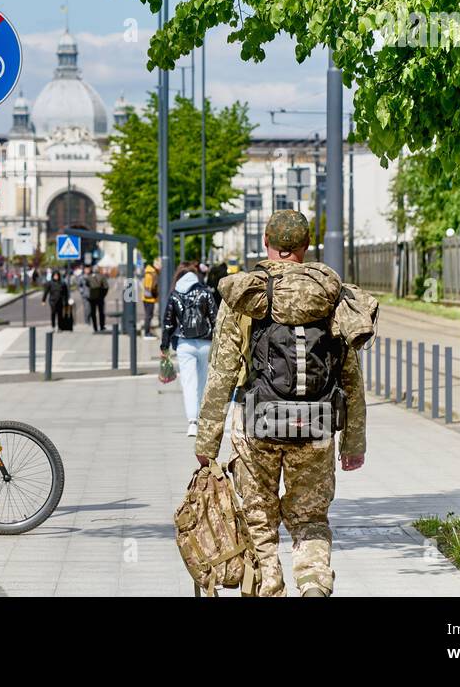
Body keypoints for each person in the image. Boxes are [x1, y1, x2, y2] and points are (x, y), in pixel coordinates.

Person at [193, 210, 367, 597]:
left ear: (267, 244)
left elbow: (221, 372)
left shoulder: (247, 293)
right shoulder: (330, 294)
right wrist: (354, 443)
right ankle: (315, 584)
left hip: (256, 425)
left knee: (259, 519)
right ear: (306, 247)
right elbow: (350, 378)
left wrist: (207, 444)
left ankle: (269, 586)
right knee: (311, 519)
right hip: (317, 425)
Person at [160, 262, 218, 437]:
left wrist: (164, 346)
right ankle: (202, 418)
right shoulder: (205, 292)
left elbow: (169, 323)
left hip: (185, 343)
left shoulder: (175, 295)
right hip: (205, 343)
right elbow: (216, 319)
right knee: (203, 382)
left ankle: (192, 422)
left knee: (189, 383)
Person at [141, 258, 160, 337]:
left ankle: (147, 331)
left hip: (146, 297)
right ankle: (147, 332)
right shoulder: (153, 273)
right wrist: (156, 294)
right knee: (149, 316)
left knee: (148, 315)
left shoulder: (148, 272)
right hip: (149, 298)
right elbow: (151, 287)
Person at [87, 266, 109, 332]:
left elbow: (87, 285)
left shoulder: (89, 277)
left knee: (93, 313)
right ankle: (102, 326)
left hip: (92, 297)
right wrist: (103, 295)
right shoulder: (102, 276)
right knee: (101, 312)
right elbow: (106, 287)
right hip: (100, 296)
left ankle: (95, 327)